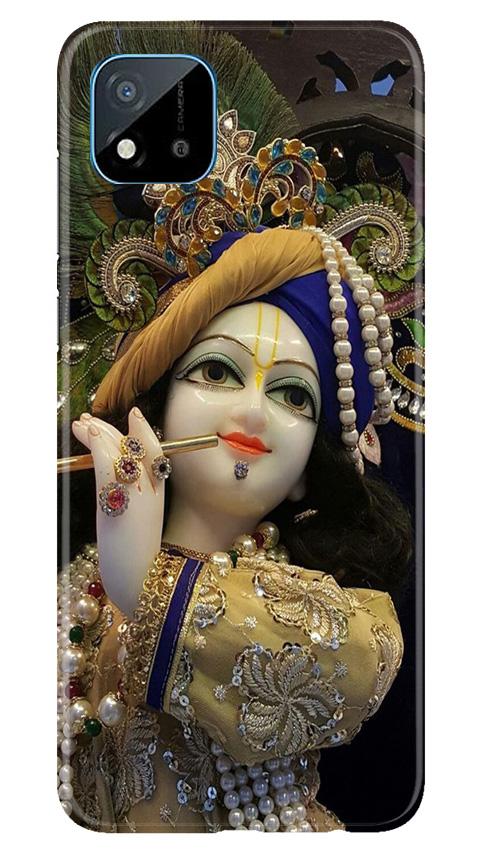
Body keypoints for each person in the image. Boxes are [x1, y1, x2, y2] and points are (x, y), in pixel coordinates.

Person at [57, 146, 411, 833]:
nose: (251, 411)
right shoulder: (75, 593)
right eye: (218, 373)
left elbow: (366, 663)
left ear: (308, 469)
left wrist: (144, 583)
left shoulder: (316, 611)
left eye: (291, 395)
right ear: (157, 412)